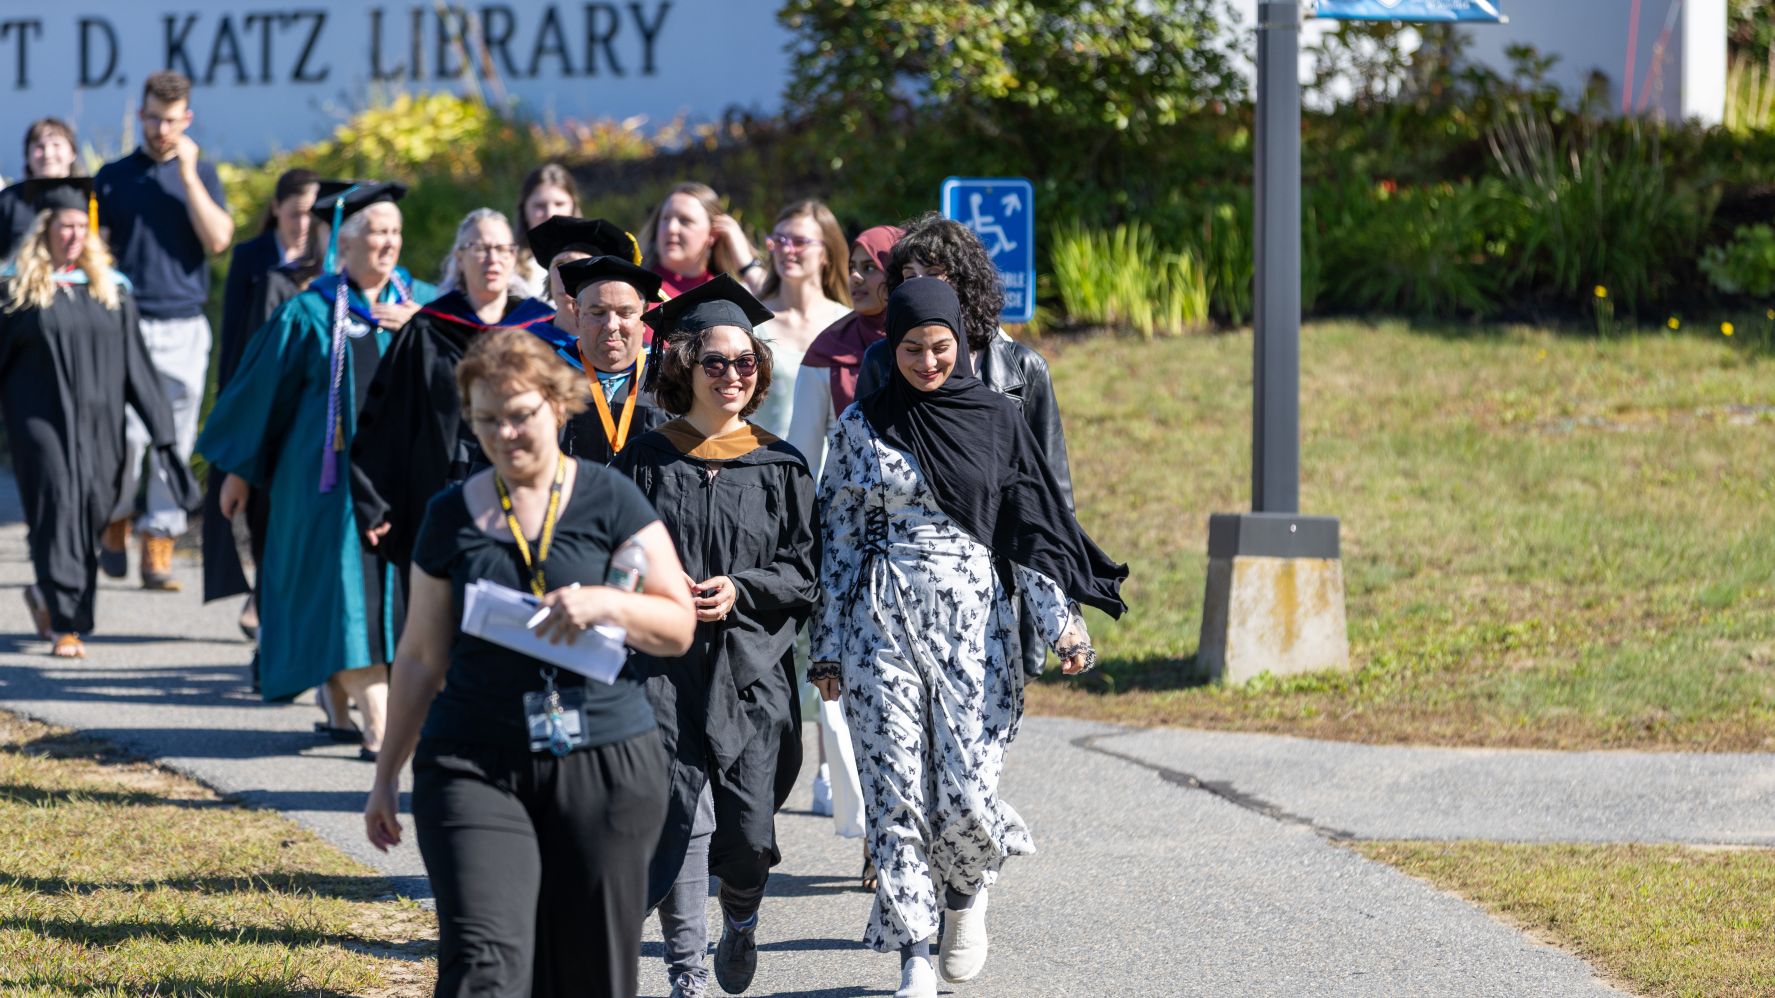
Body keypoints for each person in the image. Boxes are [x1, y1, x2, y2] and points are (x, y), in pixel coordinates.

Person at [810, 279, 1126, 998]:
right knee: (894, 792)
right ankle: (914, 953)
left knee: (965, 794)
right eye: (912, 349)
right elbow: (837, 541)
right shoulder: (860, 426)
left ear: (959, 341)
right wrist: (826, 645)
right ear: (891, 348)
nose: (927, 362)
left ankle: (963, 891)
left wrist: (1061, 623)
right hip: (878, 620)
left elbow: (1029, 532)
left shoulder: (995, 419)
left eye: (940, 347)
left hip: (972, 627)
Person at [364, 329, 695, 998]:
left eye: (519, 415)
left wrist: (607, 603)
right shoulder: (448, 515)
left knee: (591, 976)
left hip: (603, 759)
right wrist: (385, 775)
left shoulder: (611, 499)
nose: (504, 434)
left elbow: (677, 625)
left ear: (557, 403)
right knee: (484, 965)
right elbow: (421, 657)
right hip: (473, 759)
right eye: (487, 420)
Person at [614, 275, 818, 998]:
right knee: (674, 813)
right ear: (685, 365)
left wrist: (741, 588)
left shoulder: (780, 465)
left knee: (749, 835)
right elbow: (609, 548)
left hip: (750, 668)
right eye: (716, 362)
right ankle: (682, 969)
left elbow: (804, 572)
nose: (733, 375)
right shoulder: (644, 459)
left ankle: (741, 913)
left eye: (745, 362)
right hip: (661, 667)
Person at [197, 182, 437, 753]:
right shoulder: (309, 311)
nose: (389, 242)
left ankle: (339, 702)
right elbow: (263, 396)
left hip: (405, 484)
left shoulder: (424, 305)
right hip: (327, 486)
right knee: (342, 591)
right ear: (344, 244)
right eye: (376, 232)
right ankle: (377, 720)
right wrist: (238, 473)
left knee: (397, 595)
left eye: (395, 232)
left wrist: (423, 329)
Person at [858, 215, 1077, 678]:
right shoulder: (883, 361)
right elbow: (861, 478)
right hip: (900, 579)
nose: (917, 285)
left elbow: (1050, 499)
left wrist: (1059, 614)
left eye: (932, 273)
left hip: (994, 579)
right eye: (907, 276)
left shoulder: (1022, 369)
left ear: (965, 281)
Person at [0, 178, 188, 659]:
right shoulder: (16, 291)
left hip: (102, 427)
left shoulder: (111, 289)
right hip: (40, 423)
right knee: (59, 506)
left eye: (81, 227)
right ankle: (66, 624)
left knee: (93, 511)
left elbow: (138, 368)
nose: (74, 236)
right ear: (45, 229)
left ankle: (46, 594)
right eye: (65, 226)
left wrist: (164, 437)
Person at [352, 207, 559, 576]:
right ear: (459, 258)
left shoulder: (540, 328)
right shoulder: (426, 329)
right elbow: (389, 417)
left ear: (514, 258)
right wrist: (376, 501)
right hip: (435, 494)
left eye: (502, 249)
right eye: (479, 248)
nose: (492, 258)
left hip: (524, 492)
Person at [785, 223, 903, 863]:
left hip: (921, 548)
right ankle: (877, 834)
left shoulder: (930, 344)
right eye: (852, 265)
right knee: (850, 692)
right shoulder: (827, 350)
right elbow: (803, 457)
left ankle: (909, 827)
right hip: (847, 545)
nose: (857, 277)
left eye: (870, 266)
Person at [94, 70, 233, 591]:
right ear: (140, 114)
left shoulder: (202, 174)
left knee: (173, 438)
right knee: (126, 436)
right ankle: (116, 517)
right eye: (153, 118)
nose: (161, 129)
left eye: (171, 120)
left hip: (184, 325)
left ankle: (160, 537)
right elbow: (96, 249)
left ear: (187, 119)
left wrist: (190, 175)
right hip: (128, 323)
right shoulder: (114, 176)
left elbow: (218, 240)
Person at [202, 170, 342, 628]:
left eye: (311, 215)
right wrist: (231, 406)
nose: (303, 224)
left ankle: (270, 601)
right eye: (295, 213)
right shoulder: (253, 259)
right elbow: (234, 338)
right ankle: (263, 595)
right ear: (276, 209)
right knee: (259, 504)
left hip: (309, 406)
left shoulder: (332, 260)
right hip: (260, 398)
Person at [749, 199, 851, 439]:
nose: (787, 250)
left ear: (826, 252)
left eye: (799, 242)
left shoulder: (848, 324)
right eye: (779, 241)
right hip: (762, 460)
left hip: (831, 462)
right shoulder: (751, 322)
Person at [555, 254, 671, 463]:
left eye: (625, 313)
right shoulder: (547, 379)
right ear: (577, 313)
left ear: (645, 315)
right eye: (598, 312)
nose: (611, 325)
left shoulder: (672, 379)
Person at [638, 182, 767, 299]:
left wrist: (746, 265)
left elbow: (773, 301)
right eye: (666, 219)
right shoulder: (636, 286)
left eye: (685, 221)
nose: (671, 229)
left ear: (713, 233)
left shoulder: (727, 295)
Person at [525, 215, 642, 336]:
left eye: (581, 264)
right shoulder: (526, 342)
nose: (567, 274)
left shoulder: (624, 344)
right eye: (559, 264)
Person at [0, 118, 79, 261]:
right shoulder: (9, 200)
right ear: (27, 155)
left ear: (72, 153)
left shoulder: (87, 197)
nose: (48, 154)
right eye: (39, 147)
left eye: (56, 145)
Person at [514, 163, 580, 301]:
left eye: (559, 204)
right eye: (540, 205)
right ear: (524, 210)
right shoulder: (505, 263)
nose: (550, 213)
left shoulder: (593, 261)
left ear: (573, 207)